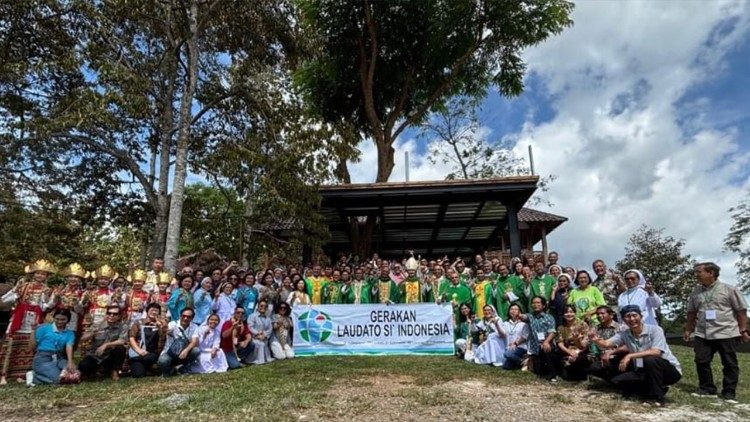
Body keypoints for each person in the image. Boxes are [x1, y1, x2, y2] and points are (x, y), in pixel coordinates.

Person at [591, 305, 681, 406]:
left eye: (634, 315)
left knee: (650, 359)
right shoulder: (624, 334)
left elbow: (656, 352)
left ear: (641, 316)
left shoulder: (656, 330)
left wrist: (629, 356)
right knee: (617, 381)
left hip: (668, 371)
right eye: (627, 316)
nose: (632, 319)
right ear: (624, 320)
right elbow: (606, 344)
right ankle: (653, 389)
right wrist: (596, 340)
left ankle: (656, 398)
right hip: (642, 369)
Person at [684, 262, 749, 402]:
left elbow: (741, 311)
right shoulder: (696, 292)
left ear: (711, 273)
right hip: (703, 332)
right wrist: (688, 329)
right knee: (701, 360)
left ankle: (729, 393)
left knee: (729, 363)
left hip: (726, 331)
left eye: (699, 272)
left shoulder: (728, 289)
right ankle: (707, 389)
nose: (696, 275)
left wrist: (743, 329)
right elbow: (691, 312)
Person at [0, 260, 57, 384]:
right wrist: (16, 288)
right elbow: (8, 298)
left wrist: (53, 299)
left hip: (35, 318)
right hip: (20, 317)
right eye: (38, 273)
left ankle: (22, 374)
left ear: (46, 276)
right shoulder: (24, 285)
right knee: (12, 342)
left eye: (43, 274)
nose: (40, 276)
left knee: (30, 345)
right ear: (33, 274)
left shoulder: (47, 290)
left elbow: (45, 307)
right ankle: (4, 374)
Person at [78, 305, 128, 381]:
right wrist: (92, 333)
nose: (111, 315)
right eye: (109, 313)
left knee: (120, 348)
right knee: (83, 366)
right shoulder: (97, 325)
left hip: (110, 356)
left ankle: (114, 370)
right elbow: (82, 338)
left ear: (119, 316)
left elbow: (122, 341)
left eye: (115, 314)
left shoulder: (123, 327)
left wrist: (106, 345)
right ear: (106, 314)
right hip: (96, 355)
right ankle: (96, 370)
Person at [29, 309, 76, 385]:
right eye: (57, 319)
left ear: (68, 320)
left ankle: (59, 374)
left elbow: (69, 346)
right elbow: (31, 347)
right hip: (43, 359)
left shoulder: (70, 333)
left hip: (59, 358)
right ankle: (34, 377)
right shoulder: (44, 328)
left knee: (74, 373)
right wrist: (33, 331)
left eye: (63, 319)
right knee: (58, 380)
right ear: (54, 318)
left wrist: (70, 362)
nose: (60, 321)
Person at [524, 296, 559, 382]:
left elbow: (552, 331)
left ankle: (553, 374)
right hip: (535, 346)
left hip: (547, 343)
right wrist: (518, 314)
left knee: (547, 349)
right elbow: (523, 317)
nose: (535, 305)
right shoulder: (530, 316)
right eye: (534, 303)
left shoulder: (549, 317)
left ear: (543, 305)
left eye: (538, 303)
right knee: (538, 371)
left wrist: (546, 341)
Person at [128, 303, 166, 378]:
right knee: (138, 375)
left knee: (151, 357)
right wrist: (139, 351)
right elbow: (131, 338)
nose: (154, 312)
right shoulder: (138, 323)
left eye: (156, 311)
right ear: (147, 311)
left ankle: (150, 367)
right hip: (139, 353)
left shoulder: (162, 324)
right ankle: (146, 367)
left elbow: (164, 338)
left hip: (153, 353)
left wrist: (160, 327)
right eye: (152, 310)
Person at [158, 307, 199, 376]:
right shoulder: (172, 324)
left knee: (196, 350)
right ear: (180, 316)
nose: (185, 318)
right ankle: (169, 371)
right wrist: (164, 330)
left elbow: (194, 341)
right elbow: (167, 330)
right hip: (170, 353)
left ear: (192, 318)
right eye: (183, 316)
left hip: (183, 353)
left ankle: (183, 368)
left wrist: (186, 351)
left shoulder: (194, 326)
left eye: (189, 317)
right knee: (163, 360)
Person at [586, 306, 623, 382]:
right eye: (598, 314)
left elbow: (624, 345)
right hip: (599, 356)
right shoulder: (595, 328)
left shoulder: (620, 328)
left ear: (611, 315)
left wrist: (609, 353)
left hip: (615, 355)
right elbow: (585, 344)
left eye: (602, 313)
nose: (599, 316)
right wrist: (578, 339)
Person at [555, 304, 590, 381]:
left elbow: (586, 343)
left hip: (581, 350)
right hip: (567, 351)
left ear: (575, 313)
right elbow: (560, 343)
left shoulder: (582, 325)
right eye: (566, 312)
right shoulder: (561, 327)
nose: (569, 314)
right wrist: (569, 352)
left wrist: (577, 352)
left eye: (571, 312)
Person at [501, 303, 530, 370]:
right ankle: (522, 361)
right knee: (506, 366)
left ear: (520, 312)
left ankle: (522, 361)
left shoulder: (524, 323)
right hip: (509, 347)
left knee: (507, 354)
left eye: (516, 309)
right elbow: (502, 334)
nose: (513, 311)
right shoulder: (505, 323)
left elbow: (525, 336)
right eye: (511, 309)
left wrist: (515, 344)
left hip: (521, 347)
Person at [247, 300, 274, 364]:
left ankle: (265, 358)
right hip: (254, 337)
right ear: (258, 307)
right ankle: (255, 359)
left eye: (265, 306)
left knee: (263, 343)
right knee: (259, 344)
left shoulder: (268, 318)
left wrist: (264, 335)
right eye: (261, 306)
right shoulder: (252, 316)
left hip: (264, 338)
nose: (263, 307)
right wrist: (257, 333)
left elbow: (270, 329)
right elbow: (250, 327)